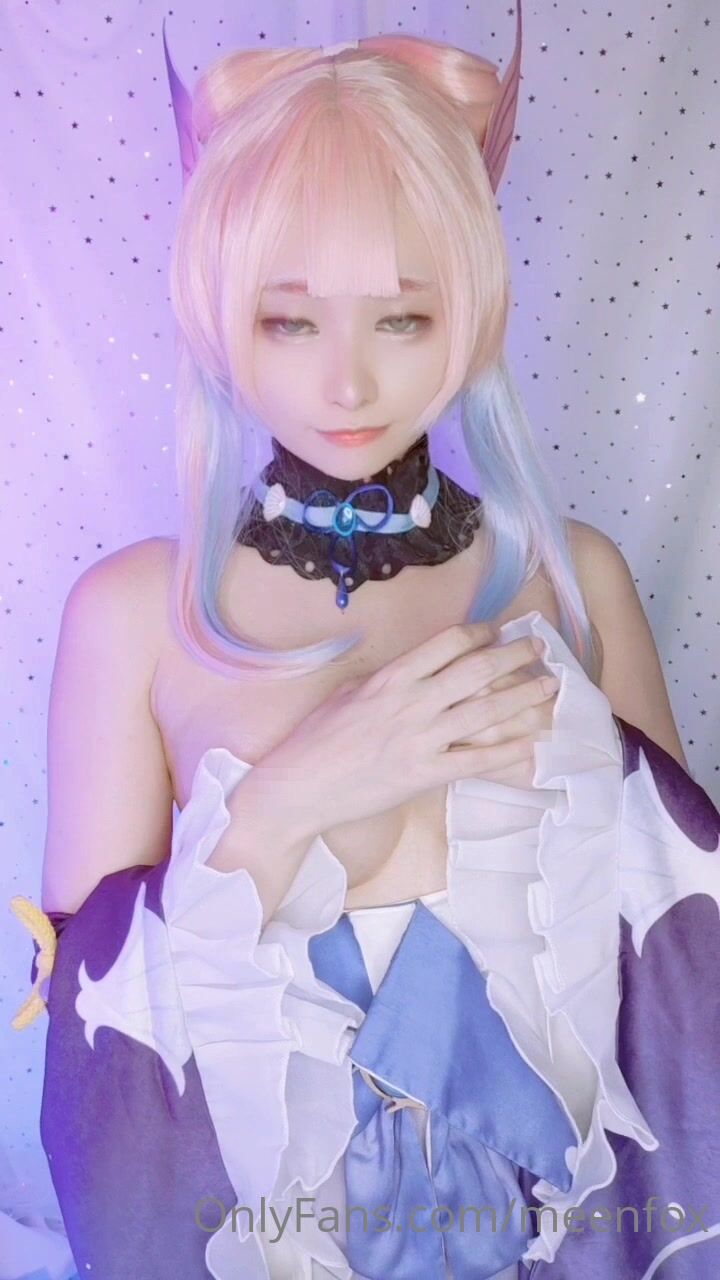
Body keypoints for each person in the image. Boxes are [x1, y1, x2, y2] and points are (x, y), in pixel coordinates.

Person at [10, 6, 720, 1278]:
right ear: (217, 308)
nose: (347, 384)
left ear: (474, 307)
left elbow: (682, 983)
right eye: (289, 321)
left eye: (402, 318)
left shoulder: (572, 583)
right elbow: (99, 1045)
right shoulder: (133, 616)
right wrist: (290, 798)